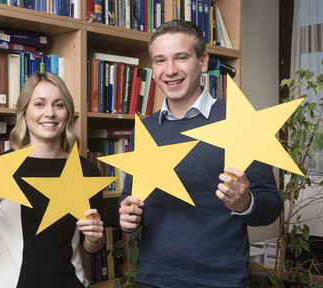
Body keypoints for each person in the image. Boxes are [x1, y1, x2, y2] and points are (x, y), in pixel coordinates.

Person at [118, 20, 282, 288]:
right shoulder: (145, 129)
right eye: (160, 61)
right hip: (151, 279)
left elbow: (271, 206)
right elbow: (130, 198)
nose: (170, 70)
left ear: (203, 62)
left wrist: (244, 203)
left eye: (181, 57)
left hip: (219, 281)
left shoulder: (240, 121)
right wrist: (127, 218)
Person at [0, 72, 105, 288]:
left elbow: (91, 246)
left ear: (68, 113)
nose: (50, 113)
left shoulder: (87, 171)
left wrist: (94, 238)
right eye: (39, 104)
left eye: (59, 105)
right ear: (24, 112)